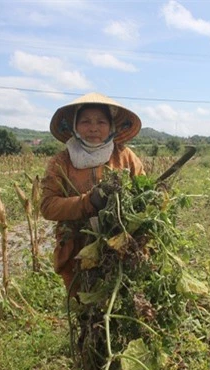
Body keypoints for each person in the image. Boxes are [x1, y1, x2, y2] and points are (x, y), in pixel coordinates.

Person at [40, 92, 144, 297]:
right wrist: (87, 202)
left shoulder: (125, 157)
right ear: (75, 127)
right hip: (77, 251)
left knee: (119, 303)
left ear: (111, 127)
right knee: (83, 309)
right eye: (85, 121)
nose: (93, 128)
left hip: (119, 248)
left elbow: (143, 193)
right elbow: (48, 206)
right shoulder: (61, 162)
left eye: (101, 122)